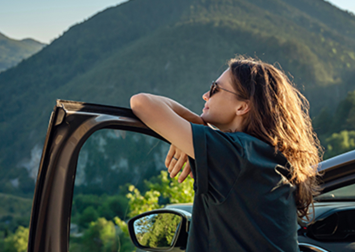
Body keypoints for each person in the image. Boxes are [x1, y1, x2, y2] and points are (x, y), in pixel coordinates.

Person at [130, 56, 322, 251]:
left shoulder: (236, 154)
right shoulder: (266, 157)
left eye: (215, 89)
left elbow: (141, 103)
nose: (206, 95)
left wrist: (195, 127)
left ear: (242, 107)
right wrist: (195, 130)